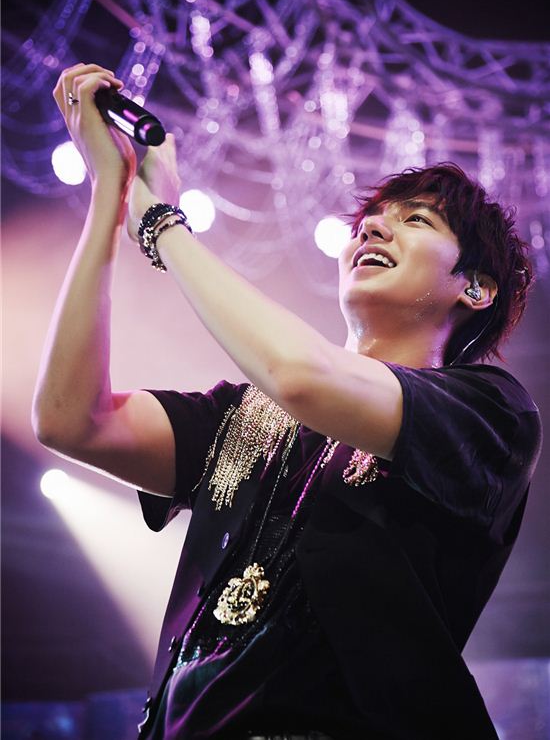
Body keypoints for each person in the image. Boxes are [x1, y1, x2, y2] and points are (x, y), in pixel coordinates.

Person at [33, 63, 542, 740]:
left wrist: (161, 224)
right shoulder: (246, 412)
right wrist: (111, 197)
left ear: (474, 288)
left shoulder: (489, 413)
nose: (372, 230)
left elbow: (303, 377)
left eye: (415, 220)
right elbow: (72, 420)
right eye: (368, 221)